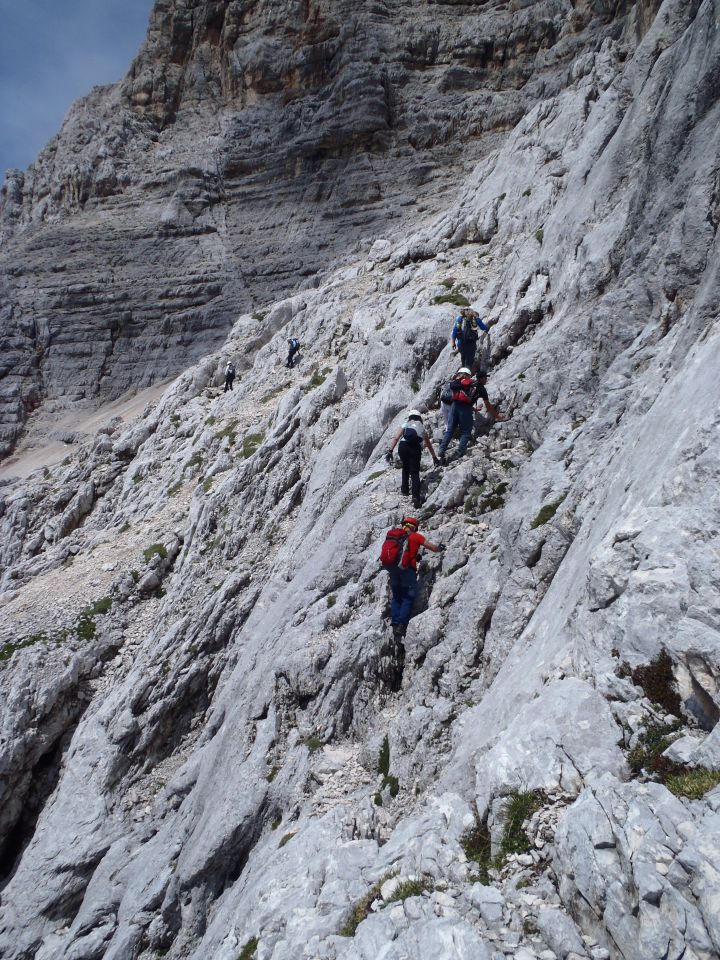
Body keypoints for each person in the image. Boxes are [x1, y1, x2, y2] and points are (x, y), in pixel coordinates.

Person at [380, 516, 445, 640]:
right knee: (408, 597)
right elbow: (430, 547)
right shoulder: (416, 536)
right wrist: (439, 549)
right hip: (407, 572)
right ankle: (402, 624)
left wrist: (415, 557)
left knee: (397, 597)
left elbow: (402, 554)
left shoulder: (396, 537)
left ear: (404, 525)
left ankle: (394, 622)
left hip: (393, 570)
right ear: (414, 527)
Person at [438, 368, 506, 463]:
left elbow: (459, 393)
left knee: (450, 430)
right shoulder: (481, 388)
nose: (486, 380)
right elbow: (488, 406)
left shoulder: (467, 382)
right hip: (465, 409)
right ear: (481, 379)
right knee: (466, 431)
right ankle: (459, 452)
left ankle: (441, 450)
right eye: (485, 378)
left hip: (454, 405)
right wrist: (498, 417)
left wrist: (474, 409)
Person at [386, 410, 439, 508]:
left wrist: (390, 451)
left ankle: (404, 490)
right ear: (419, 417)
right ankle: (415, 496)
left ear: (410, 417)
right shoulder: (422, 428)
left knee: (405, 467)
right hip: (415, 448)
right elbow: (428, 444)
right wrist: (434, 457)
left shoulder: (406, 424)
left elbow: (396, 437)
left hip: (403, 446)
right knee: (414, 472)